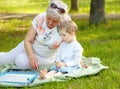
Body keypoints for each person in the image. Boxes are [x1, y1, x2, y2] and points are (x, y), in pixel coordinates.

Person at [0, 0, 71, 70]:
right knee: (3, 60)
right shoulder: (40, 18)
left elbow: (71, 43)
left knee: (20, 61)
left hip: (45, 57)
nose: (50, 23)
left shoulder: (66, 23)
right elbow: (28, 40)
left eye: (54, 21)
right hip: (28, 47)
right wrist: (31, 57)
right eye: (48, 18)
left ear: (60, 20)